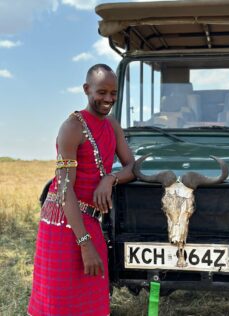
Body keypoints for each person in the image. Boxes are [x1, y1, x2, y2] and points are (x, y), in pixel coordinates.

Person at [28, 64, 135, 316]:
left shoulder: (112, 125)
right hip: (63, 223)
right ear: (87, 90)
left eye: (113, 93)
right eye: (101, 92)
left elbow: (132, 166)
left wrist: (110, 178)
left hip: (89, 219)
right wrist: (85, 245)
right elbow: (65, 189)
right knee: (61, 301)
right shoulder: (71, 128)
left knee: (91, 296)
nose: (108, 99)